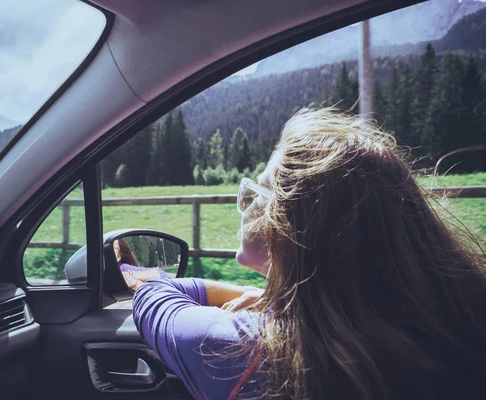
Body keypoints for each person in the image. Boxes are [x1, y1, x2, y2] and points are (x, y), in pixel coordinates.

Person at [132, 107, 486, 399]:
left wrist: (134, 270)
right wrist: (279, 298)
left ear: (290, 228)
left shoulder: (249, 351)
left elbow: (155, 300)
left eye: (259, 191)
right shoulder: (456, 324)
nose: (248, 203)